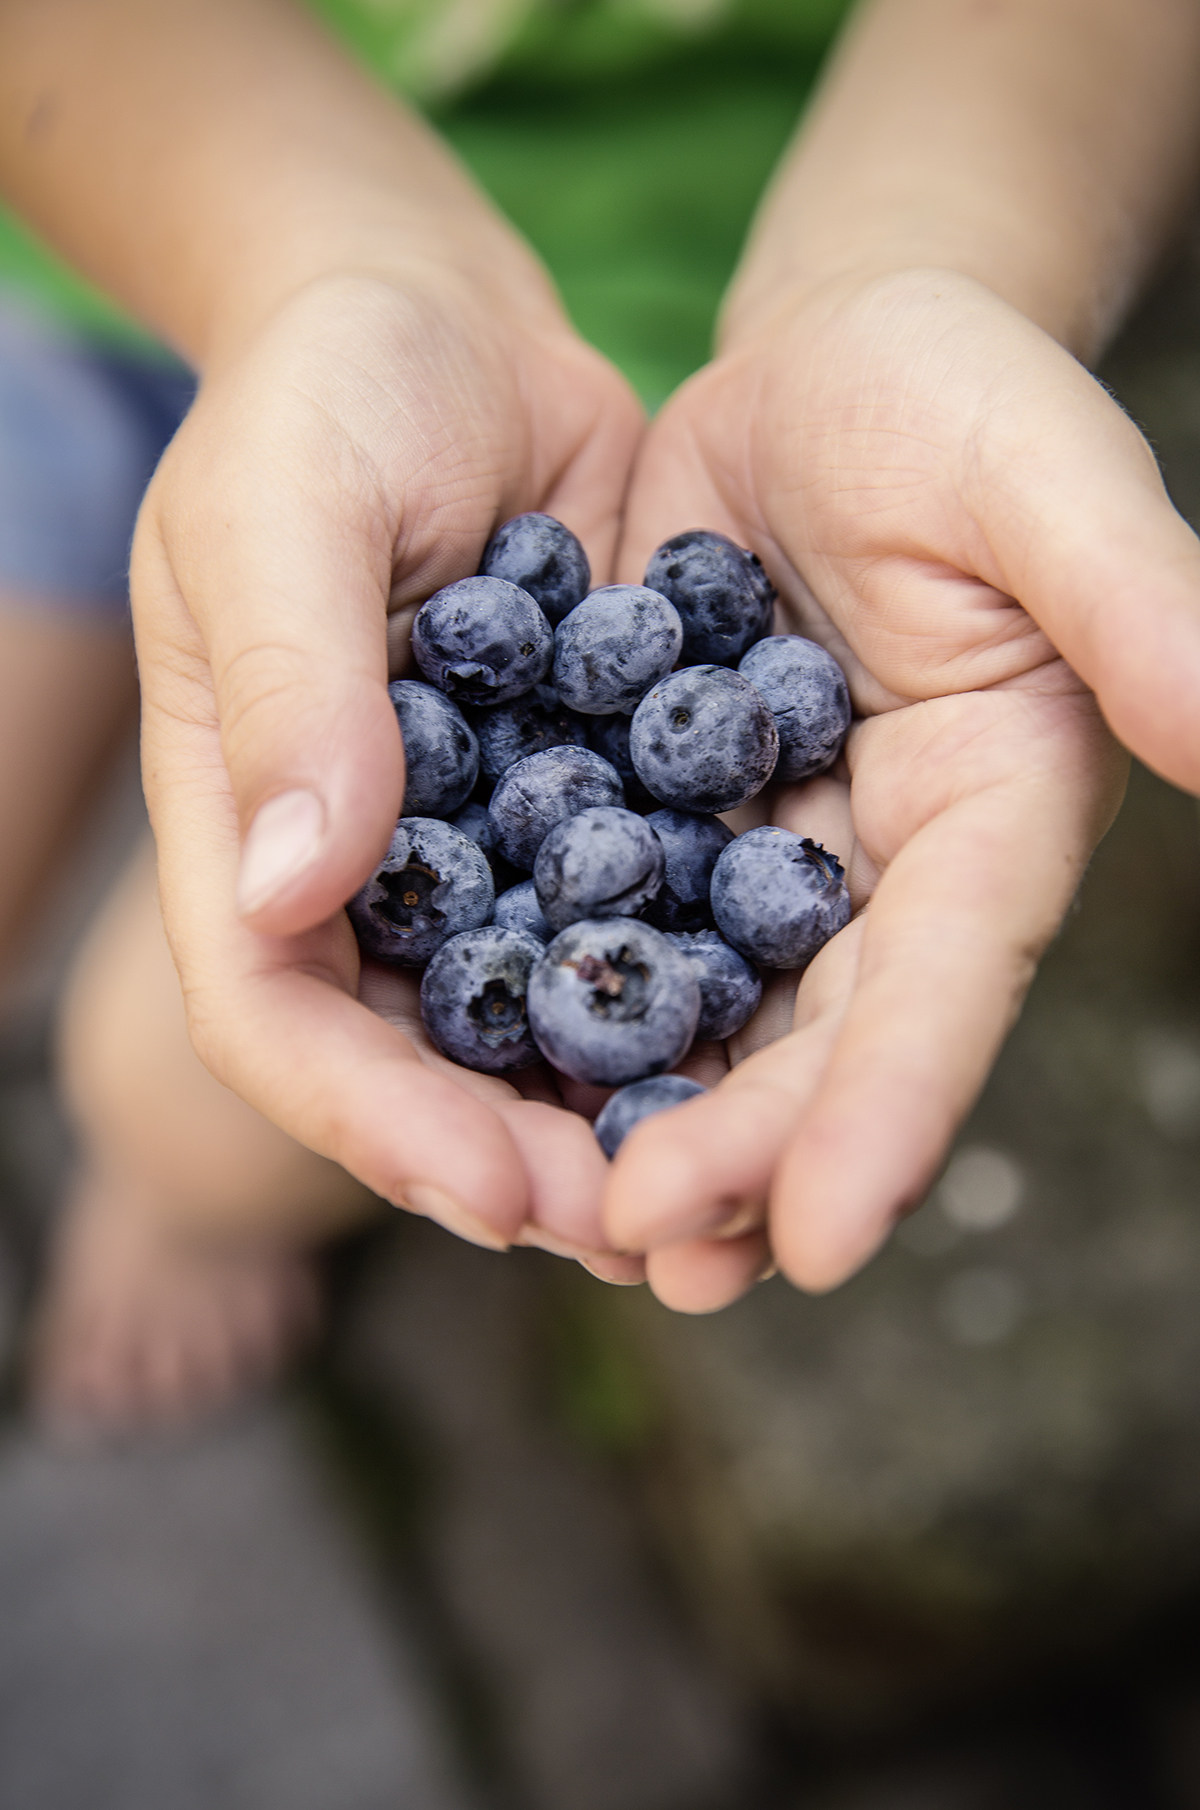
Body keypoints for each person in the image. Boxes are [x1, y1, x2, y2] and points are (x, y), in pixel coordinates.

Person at [1, 0, 1199, 1428]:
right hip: (129, 239)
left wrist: (929, 262)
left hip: (674, 353)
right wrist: (314, 267)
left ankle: (179, 1200)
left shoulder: (654, 745)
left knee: (183, 1092)